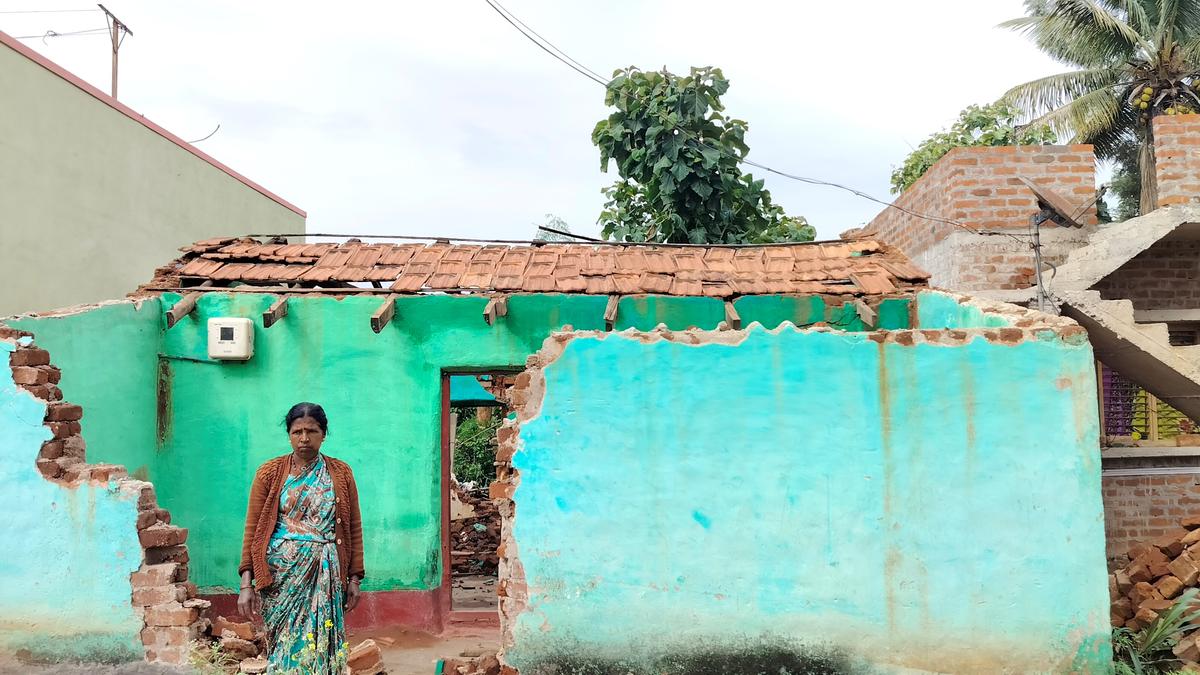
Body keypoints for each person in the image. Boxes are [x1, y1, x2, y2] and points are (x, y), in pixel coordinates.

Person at [238, 402, 364, 673]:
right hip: (279, 579)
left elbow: (353, 527)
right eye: (297, 432)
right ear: (289, 434)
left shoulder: (341, 473)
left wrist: (354, 578)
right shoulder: (269, 473)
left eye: (312, 431)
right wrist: (246, 583)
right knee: (284, 643)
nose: (304, 438)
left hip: (326, 575)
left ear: (324, 433)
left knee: (320, 644)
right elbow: (253, 530)